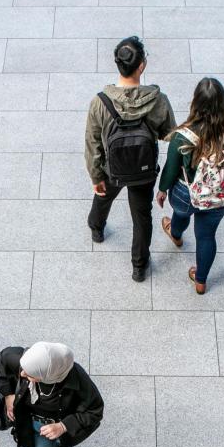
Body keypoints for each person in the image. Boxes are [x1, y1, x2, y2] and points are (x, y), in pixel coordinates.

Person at [84, 36, 178, 282]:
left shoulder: (100, 103)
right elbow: (170, 134)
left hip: (111, 168)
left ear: (118, 64)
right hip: (143, 172)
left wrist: (96, 175)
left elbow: (93, 142)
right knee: (141, 216)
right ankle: (139, 266)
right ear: (142, 65)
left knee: (103, 197)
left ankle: (96, 228)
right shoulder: (158, 100)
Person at [155, 78, 224, 295]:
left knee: (181, 213)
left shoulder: (183, 136)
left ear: (195, 102)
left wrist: (162, 189)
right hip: (218, 196)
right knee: (206, 236)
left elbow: (171, 168)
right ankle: (200, 281)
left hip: (184, 192)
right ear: (223, 102)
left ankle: (176, 234)